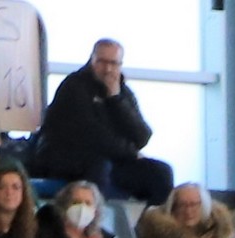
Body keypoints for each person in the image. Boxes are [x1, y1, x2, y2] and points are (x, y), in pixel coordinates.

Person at [33, 39, 172, 205]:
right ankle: (94, 219)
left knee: (162, 172)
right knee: (100, 166)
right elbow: (93, 136)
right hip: (67, 160)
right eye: (102, 62)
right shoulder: (74, 87)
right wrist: (132, 153)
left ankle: (153, 219)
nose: (108, 69)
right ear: (92, 60)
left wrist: (115, 99)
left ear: (120, 65)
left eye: (113, 63)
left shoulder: (123, 92)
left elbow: (142, 136)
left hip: (113, 160)